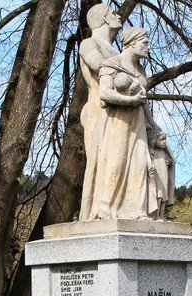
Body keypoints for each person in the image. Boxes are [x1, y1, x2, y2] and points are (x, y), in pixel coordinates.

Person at [82, 27, 163, 220]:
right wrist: (130, 101)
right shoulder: (112, 63)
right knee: (115, 161)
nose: (148, 47)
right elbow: (105, 93)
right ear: (132, 42)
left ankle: (137, 211)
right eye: (145, 42)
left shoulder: (140, 71)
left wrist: (154, 126)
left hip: (138, 120)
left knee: (140, 163)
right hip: (117, 120)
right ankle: (104, 207)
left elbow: (144, 102)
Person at [78, 4, 122, 220]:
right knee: (101, 160)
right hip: (99, 109)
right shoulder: (89, 44)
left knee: (119, 160)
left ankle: (117, 207)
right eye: (113, 13)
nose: (118, 16)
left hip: (121, 112)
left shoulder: (118, 51)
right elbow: (99, 66)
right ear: (103, 19)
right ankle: (97, 209)